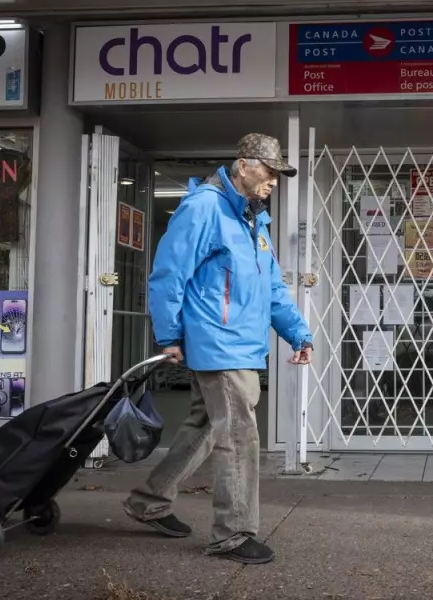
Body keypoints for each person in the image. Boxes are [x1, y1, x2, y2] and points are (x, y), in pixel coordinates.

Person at [124, 134, 313, 565]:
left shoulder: (253, 222)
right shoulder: (204, 207)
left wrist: (300, 334)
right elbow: (168, 276)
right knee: (239, 437)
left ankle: (147, 501)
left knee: (205, 427)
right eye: (269, 172)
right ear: (244, 166)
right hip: (219, 343)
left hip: (241, 345)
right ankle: (232, 534)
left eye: (278, 175)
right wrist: (169, 337)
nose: (274, 182)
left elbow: (272, 291)